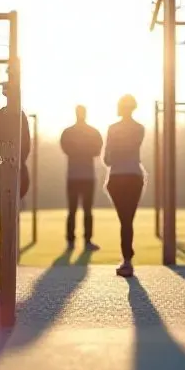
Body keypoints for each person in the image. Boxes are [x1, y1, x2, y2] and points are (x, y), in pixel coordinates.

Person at [104, 94, 145, 278]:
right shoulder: (139, 128)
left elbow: (107, 159)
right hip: (134, 175)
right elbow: (132, 147)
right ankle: (127, 258)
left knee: (125, 220)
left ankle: (127, 259)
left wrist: (115, 151)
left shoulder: (112, 129)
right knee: (128, 219)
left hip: (117, 177)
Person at [60, 105, 103, 251]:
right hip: (83, 176)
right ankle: (81, 241)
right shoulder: (92, 132)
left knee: (79, 210)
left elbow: (97, 150)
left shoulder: (69, 132)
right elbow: (96, 150)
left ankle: (77, 241)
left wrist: (78, 150)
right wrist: (85, 150)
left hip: (78, 175)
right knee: (80, 210)